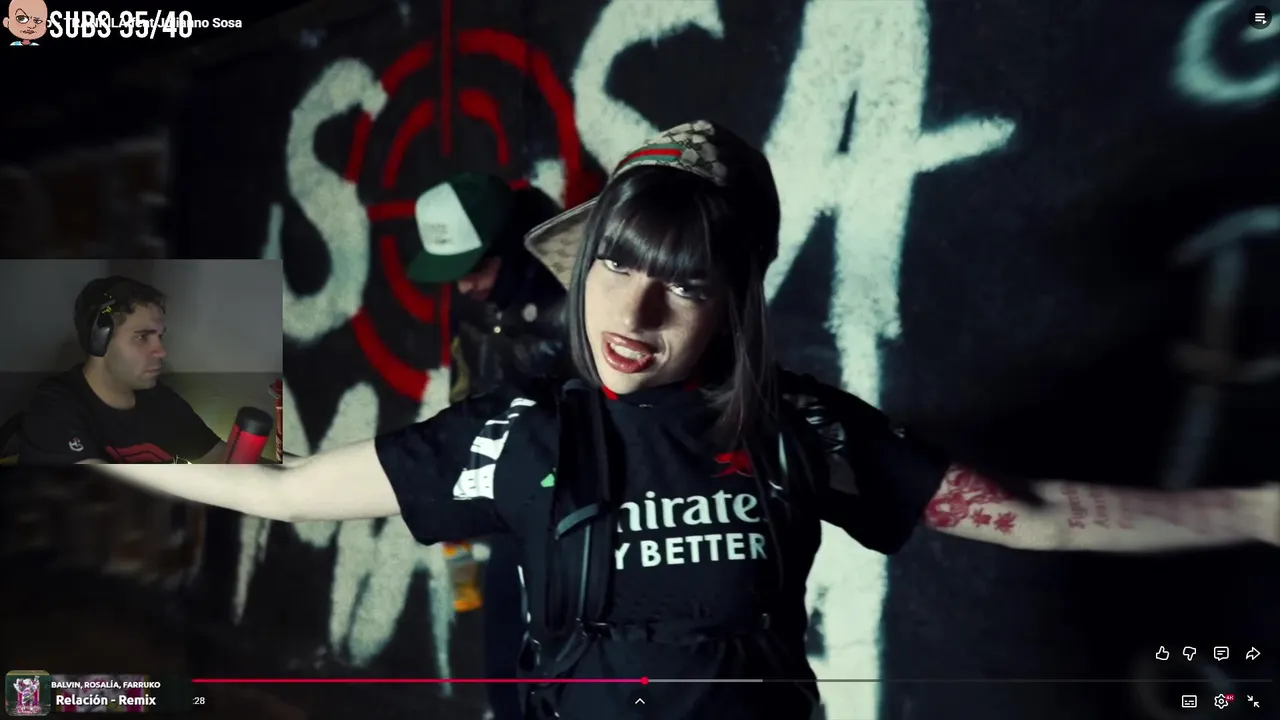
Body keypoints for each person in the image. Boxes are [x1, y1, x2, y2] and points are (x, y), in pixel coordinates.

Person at [92, 121, 1278, 720]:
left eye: (685, 283)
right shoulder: (516, 431)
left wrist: (1249, 510)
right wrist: (73, 420)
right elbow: (282, 488)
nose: (635, 312)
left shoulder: (802, 429)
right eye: (615, 265)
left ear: (733, 303)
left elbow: (1031, 515)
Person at [410, 173, 567, 720]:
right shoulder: (478, 304)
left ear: (512, 246)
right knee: (505, 669)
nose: (464, 286)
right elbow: (467, 390)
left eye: (475, 268)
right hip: (509, 516)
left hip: (575, 519)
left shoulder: (580, 299)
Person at [18, 276, 225, 464]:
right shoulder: (54, 407)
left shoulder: (162, 400)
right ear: (99, 340)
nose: (162, 351)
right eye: (142, 337)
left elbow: (221, 458)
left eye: (160, 336)